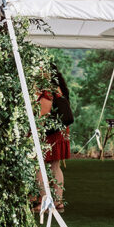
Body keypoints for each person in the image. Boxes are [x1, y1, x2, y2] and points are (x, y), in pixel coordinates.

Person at [38, 67, 72, 209]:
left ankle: (44, 201)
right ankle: (58, 201)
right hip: (61, 132)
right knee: (55, 167)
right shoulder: (61, 89)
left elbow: (43, 115)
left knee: (39, 167)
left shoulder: (47, 91)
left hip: (49, 133)